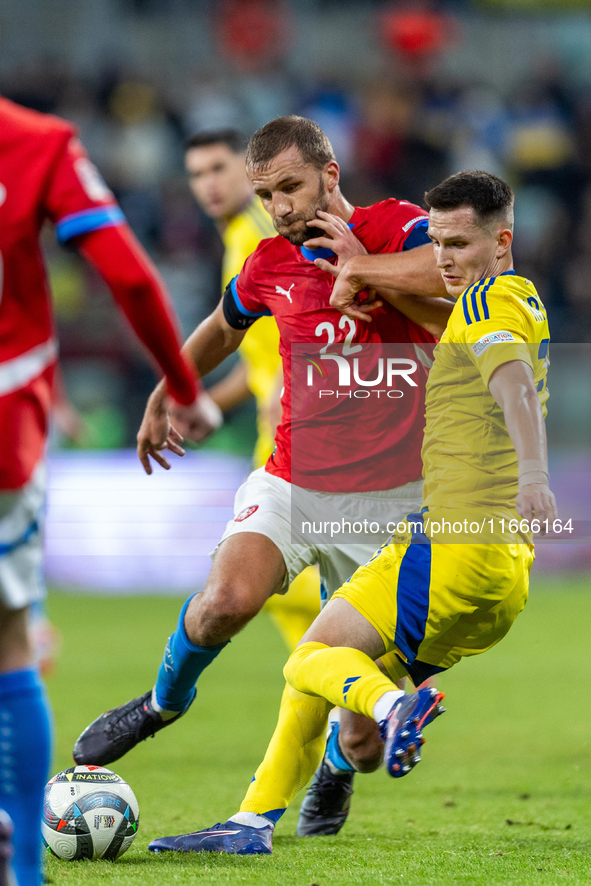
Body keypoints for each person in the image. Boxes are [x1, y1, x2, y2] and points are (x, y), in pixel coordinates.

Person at [73, 116, 452, 853]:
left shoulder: (396, 226)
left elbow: (456, 279)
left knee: (365, 740)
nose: (277, 207)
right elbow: (223, 324)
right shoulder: (269, 261)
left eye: (289, 187)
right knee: (223, 602)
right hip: (292, 478)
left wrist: (362, 269)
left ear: (330, 175)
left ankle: (339, 763)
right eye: (265, 193)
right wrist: (169, 388)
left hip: (391, 504)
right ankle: (160, 703)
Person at [0, 95, 218, 886]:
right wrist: (184, 383)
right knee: (13, 643)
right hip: (3, 420)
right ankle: (21, 867)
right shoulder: (33, 142)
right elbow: (125, 272)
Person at [282, 170, 555, 796]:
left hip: (450, 542)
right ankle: (333, 772)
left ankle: (390, 713)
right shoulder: (519, 299)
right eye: (436, 242)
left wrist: (537, 474)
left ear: (502, 242)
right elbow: (451, 323)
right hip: (505, 570)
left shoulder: (489, 307)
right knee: (360, 686)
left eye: (458, 245)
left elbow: (512, 383)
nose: (442, 259)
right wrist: (371, 273)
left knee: (310, 658)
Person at [183, 128, 320, 652]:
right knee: (287, 593)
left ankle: (377, 697)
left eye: (219, 169)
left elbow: (298, 329)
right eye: (197, 174)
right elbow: (260, 358)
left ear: (249, 172)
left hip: (296, 424)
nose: (208, 185)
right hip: (284, 415)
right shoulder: (239, 239)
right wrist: (210, 403)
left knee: (276, 580)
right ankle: (351, 712)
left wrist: (287, 392)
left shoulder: (258, 237)